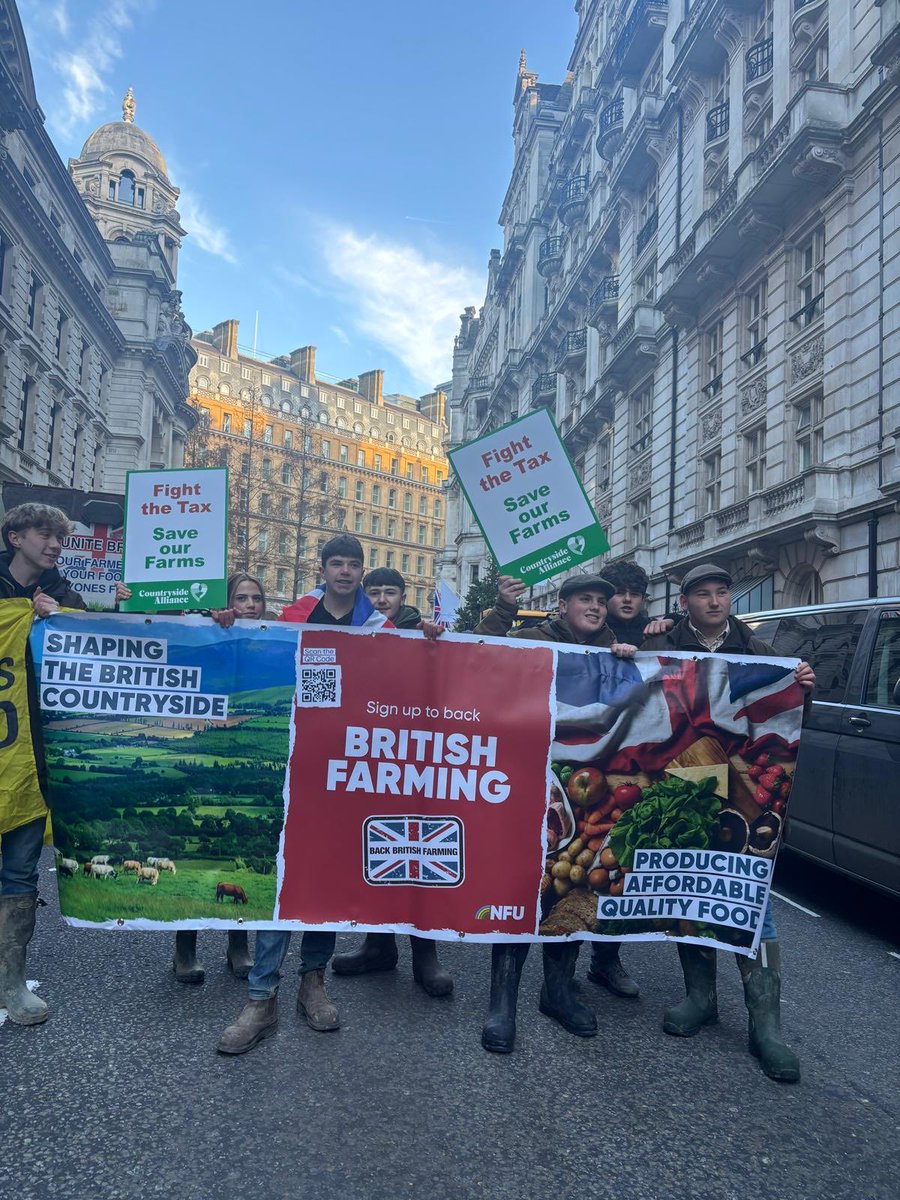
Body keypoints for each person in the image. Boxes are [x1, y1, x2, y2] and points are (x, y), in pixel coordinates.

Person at [642, 562, 816, 1083]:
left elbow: (788, 709)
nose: (715, 602)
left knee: (751, 896)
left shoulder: (763, 651)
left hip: (746, 791)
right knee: (691, 890)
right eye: (704, 595)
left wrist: (805, 680)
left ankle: (767, 1027)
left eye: (722, 593)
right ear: (684, 602)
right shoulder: (661, 644)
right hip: (681, 783)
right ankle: (701, 998)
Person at [218, 535, 392, 1054]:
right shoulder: (293, 615)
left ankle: (312, 981)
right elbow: (251, 659)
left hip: (346, 766)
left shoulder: (382, 627)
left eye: (353, 564)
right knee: (284, 873)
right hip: (289, 760)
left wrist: (430, 636)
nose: (345, 571)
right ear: (322, 569)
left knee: (326, 877)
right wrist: (229, 626)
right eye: (336, 563)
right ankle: (261, 996)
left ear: (362, 572)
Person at [475, 573, 638, 1054]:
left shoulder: (617, 649)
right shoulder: (530, 640)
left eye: (600, 602)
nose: (595, 607)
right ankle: (501, 1000)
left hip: (580, 791)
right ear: (563, 604)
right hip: (522, 776)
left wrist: (633, 660)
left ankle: (558, 990)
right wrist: (502, 607)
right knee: (516, 887)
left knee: (568, 889)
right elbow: (480, 652)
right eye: (585, 599)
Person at [330, 567, 452, 997]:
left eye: (390, 592)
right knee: (377, 850)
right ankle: (378, 946)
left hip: (415, 759)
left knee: (420, 852)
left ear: (404, 596)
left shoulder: (424, 631)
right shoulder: (355, 627)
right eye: (375, 592)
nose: (382, 599)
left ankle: (426, 953)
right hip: (372, 756)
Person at [0, 503, 86, 1025]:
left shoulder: (64, 595)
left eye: (60, 536)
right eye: (44, 534)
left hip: (33, 760)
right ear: (15, 537)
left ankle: (11, 982)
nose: (54, 544)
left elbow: (103, 638)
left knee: (19, 870)